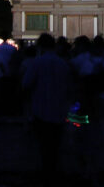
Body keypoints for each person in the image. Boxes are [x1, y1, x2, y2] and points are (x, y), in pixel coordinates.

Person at [21, 32, 73, 186]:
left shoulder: (37, 63)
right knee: (56, 146)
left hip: (40, 110)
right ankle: (55, 174)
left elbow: (26, 85)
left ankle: (44, 174)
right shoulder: (62, 63)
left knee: (42, 146)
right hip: (59, 111)